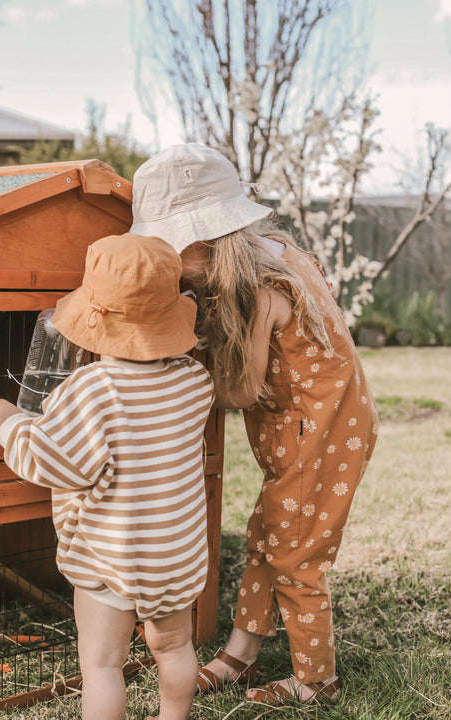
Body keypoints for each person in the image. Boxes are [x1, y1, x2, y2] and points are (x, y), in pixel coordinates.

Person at [129, 143, 379, 705]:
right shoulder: (279, 252)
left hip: (318, 436)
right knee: (269, 534)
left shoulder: (255, 291)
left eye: (173, 253)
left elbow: (241, 390)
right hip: (329, 422)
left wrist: (184, 365)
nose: (172, 268)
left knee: (295, 554)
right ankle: (240, 655)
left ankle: (317, 682)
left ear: (202, 239)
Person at [0, 234, 214, 720]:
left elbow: (52, 461)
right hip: (175, 554)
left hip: (110, 559)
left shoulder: (91, 390)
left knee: (103, 664)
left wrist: (11, 426)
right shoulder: (195, 382)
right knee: (173, 647)